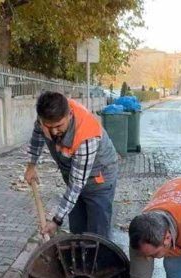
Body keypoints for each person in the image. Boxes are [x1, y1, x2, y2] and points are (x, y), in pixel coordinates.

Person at [24, 91, 118, 239]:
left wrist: (56, 221)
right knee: (78, 230)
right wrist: (31, 166)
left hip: (99, 180)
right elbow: (37, 135)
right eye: (49, 126)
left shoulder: (86, 137)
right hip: (73, 177)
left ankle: (100, 261)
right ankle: (80, 259)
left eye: (59, 126)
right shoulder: (45, 117)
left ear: (69, 115)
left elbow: (76, 185)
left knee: (98, 235)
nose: (54, 132)